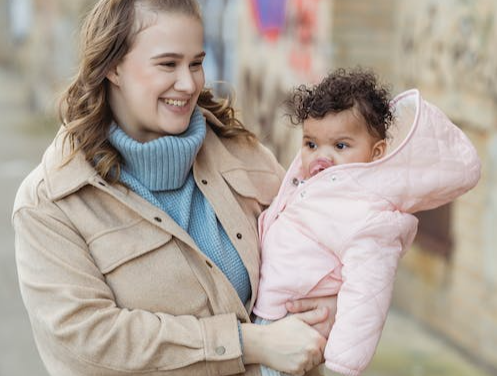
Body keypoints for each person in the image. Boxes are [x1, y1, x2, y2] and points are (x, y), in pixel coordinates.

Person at [12, 1, 337, 375]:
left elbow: (314, 246)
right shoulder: (51, 202)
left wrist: (323, 309)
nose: (189, 84)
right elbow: (87, 345)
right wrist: (248, 344)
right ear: (113, 67)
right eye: (168, 64)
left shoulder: (241, 152)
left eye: (196, 63)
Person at [252, 68, 481, 376]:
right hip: (263, 319)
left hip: (290, 328)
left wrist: (344, 361)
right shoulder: (309, 185)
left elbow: (369, 288)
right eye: (311, 144)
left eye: (341, 146)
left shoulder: (367, 215)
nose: (322, 156)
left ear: (376, 153)